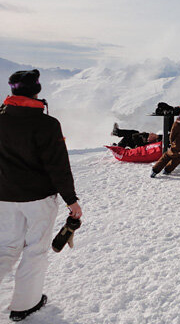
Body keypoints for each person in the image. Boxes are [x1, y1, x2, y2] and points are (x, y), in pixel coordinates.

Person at [0, 69, 82, 322]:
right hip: (38, 199)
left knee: (5, 248)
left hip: (3, 197)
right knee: (35, 250)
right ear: (37, 91)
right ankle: (24, 305)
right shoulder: (47, 124)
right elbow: (58, 166)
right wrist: (71, 200)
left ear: (12, 91)